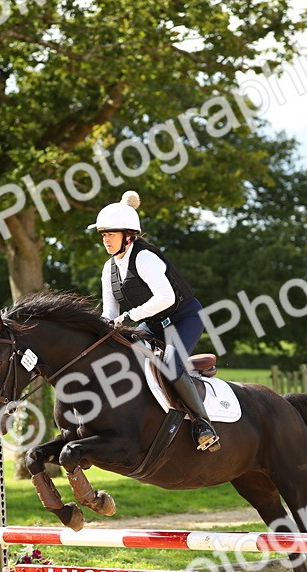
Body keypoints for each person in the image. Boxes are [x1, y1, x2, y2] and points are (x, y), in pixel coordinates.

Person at [92, 190, 220, 452]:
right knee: (125, 359)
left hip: (183, 317)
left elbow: (166, 297)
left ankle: (203, 424)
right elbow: (111, 313)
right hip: (152, 323)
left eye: (111, 234)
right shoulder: (109, 268)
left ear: (128, 236)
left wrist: (130, 317)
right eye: (104, 235)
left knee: (171, 364)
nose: (106, 240)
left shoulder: (145, 257)